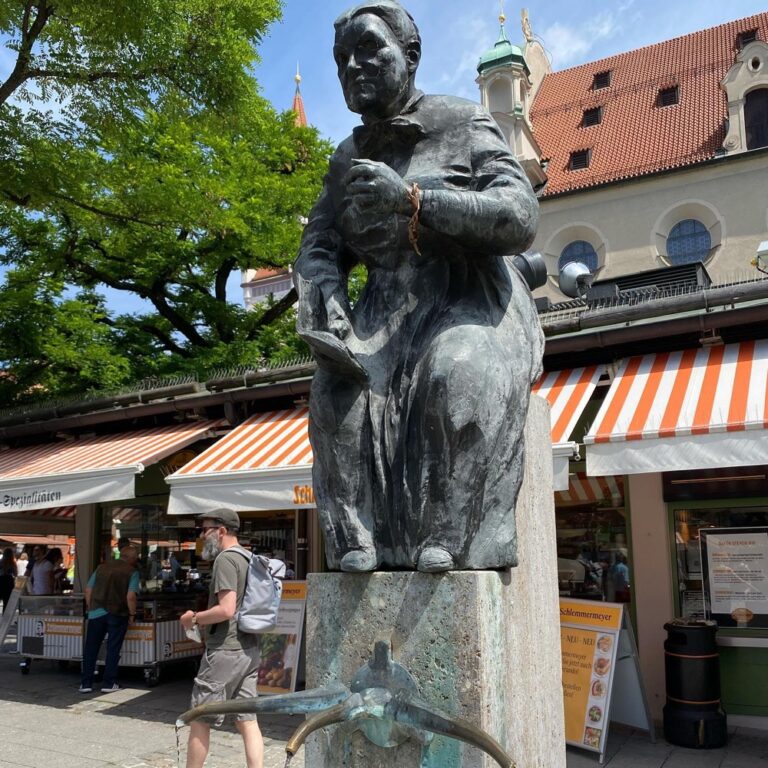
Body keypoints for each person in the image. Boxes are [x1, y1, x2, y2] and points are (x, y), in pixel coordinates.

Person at [294, 0, 543, 573]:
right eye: (341, 59)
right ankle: (360, 539)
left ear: (410, 57)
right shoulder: (346, 157)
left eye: (369, 49)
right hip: (383, 318)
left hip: (467, 299)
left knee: (457, 372)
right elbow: (318, 245)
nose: (352, 66)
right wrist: (326, 298)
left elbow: (520, 216)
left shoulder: (463, 123)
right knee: (337, 394)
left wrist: (414, 201)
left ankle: (449, 532)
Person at [179, 509, 263, 768]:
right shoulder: (249, 558)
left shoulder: (226, 560)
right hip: (249, 648)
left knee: (200, 717)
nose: (203, 535)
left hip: (226, 650)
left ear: (222, 530)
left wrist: (193, 619)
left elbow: (226, 609)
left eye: (206, 530)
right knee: (247, 720)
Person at [79, 545, 140, 694]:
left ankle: (86, 684)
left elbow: (88, 590)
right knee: (113, 648)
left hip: (96, 613)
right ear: (131, 558)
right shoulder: (132, 572)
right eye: (136, 558)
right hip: (117, 613)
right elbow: (131, 597)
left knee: (91, 648)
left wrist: (91, 607)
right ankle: (109, 683)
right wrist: (132, 615)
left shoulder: (101, 568)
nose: (137, 561)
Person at [0, 547, 17, 613]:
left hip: (1, 580)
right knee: (6, 601)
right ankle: (5, 617)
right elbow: (15, 574)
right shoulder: (12, 563)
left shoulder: (0, 562)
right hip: (9, 581)